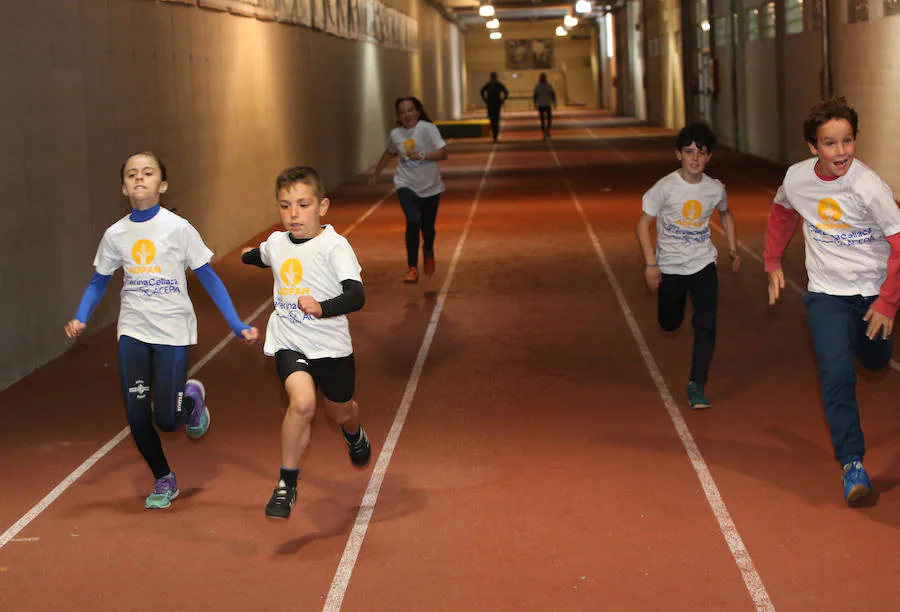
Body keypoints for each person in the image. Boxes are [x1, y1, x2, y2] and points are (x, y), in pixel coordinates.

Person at [64, 151, 259, 510]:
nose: (140, 178)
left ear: (162, 184)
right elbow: (98, 282)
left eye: (148, 172)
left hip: (172, 331)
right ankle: (163, 477)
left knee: (167, 420)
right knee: (137, 416)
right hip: (133, 331)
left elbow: (209, 278)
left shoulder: (178, 229)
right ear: (124, 187)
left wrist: (236, 324)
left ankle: (192, 399)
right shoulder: (115, 234)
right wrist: (80, 317)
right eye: (132, 174)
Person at [764, 97, 900, 506]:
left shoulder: (868, 186)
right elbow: (783, 212)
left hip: (873, 294)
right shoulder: (797, 178)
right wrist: (772, 261)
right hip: (826, 294)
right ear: (812, 147)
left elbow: (898, 244)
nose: (841, 152)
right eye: (830, 143)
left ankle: (871, 343)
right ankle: (852, 464)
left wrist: (888, 303)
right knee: (836, 374)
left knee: (875, 360)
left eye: (847, 141)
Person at [241, 166, 371, 520]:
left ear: (322, 206)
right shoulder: (278, 242)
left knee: (340, 409)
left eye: (303, 204)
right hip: (289, 339)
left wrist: (322, 308)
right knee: (301, 404)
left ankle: (353, 431)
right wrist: (244, 255)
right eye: (285, 206)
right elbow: (262, 255)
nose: (293, 214)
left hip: (331, 346)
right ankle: (286, 484)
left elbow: (356, 295)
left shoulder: (335, 246)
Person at [636, 122, 741, 410]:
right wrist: (650, 264)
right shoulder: (665, 188)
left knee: (707, 323)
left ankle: (697, 383)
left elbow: (726, 214)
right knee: (669, 322)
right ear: (678, 154)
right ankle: (678, 311)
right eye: (689, 152)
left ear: (709, 158)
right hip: (670, 266)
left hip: (702, 262)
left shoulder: (714, 189)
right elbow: (643, 224)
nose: (695, 158)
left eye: (702, 153)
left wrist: (732, 248)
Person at [369, 96, 449, 284]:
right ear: (398, 115)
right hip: (406, 184)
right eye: (403, 112)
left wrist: (422, 155)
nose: (407, 115)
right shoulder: (396, 134)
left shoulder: (428, 129)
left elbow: (444, 153)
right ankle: (412, 267)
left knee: (428, 228)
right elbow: (389, 152)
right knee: (413, 221)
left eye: (410, 110)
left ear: (418, 112)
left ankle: (428, 251)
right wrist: (376, 173)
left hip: (431, 186)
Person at [480, 72, 509, 143]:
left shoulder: (499, 84)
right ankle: (494, 135)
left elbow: (506, 91)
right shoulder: (488, 85)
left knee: (496, 120)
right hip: (490, 104)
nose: (493, 78)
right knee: (491, 120)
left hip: (496, 104)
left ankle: (495, 136)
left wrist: (502, 100)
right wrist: (485, 99)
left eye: (494, 77)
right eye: (493, 77)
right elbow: (482, 91)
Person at [533, 73, 557, 139]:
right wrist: (554, 103)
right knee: (547, 119)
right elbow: (553, 95)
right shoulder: (547, 85)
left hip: (543, 104)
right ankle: (546, 132)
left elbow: (535, 96)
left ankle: (545, 132)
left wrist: (535, 103)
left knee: (544, 119)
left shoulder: (539, 85)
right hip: (546, 104)